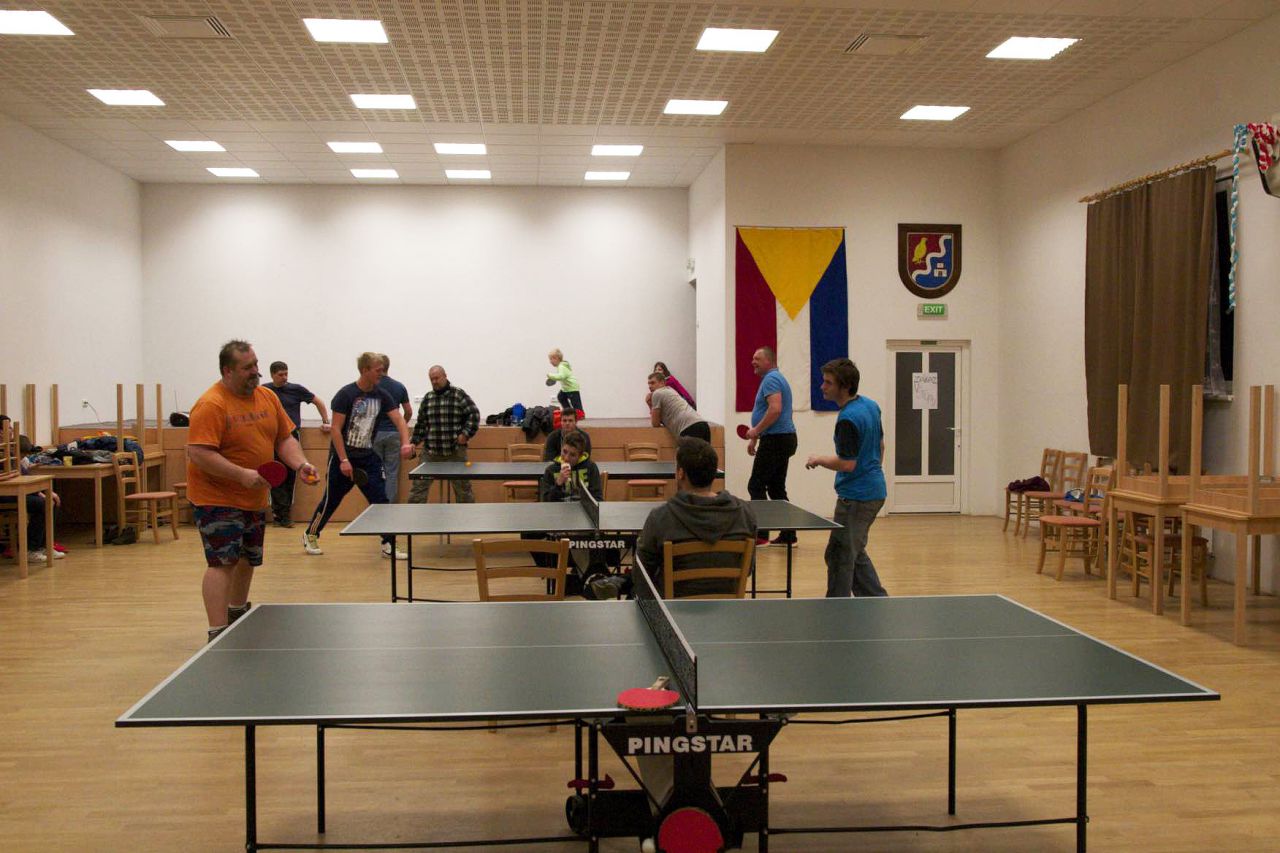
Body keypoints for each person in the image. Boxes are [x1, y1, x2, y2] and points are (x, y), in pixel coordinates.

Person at [187, 340, 318, 643]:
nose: (256, 372)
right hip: (216, 497)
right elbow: (199, 453)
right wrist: (241, 474)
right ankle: (217, 631)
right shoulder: (212, 404)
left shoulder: (267, 397)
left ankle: (237, 612)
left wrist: (300, 464)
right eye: (248, 367)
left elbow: (284, 438)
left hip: (254, 496)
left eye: (256, 364)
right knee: (222, 562)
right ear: (227, 371)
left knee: (247, 558)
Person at [608, 437, 756, 600]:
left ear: (680, 473)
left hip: (673, 610)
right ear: (714, 473)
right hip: (727, 607)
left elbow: (641, 575)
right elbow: (748, 568)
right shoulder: (745, 514)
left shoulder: (660, 518)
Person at [303, 352, 412, 558]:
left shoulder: (382, 395)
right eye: (377, 370)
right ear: (364, 370)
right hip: (343, 458)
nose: (381, 374)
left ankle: (389, 543)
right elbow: (336, 429)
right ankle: (311, 534)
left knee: (381, 501)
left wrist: (406, 443)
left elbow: (399, 419)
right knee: (331, 500)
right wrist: (344, 460)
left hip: (368, 458)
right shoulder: (346, 394)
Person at [805, 358, 888, 598]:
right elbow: (881, 446)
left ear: (845, 387)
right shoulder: (870, 406)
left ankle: (837, 607)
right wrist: (872, 473)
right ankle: (876, 602)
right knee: (852, 553)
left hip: (856, 499)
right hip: (873, 491)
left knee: (841, 557)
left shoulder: (847, 420)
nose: (822, 387)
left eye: (828, 383)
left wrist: (818, 459)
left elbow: (847, 464)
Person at [265, 360, 331, 527]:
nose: (284, 377)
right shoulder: (264, 391)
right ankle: (278, 514)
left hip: (291, 435)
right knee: (275, 473)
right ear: (272, 375)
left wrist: (325, 421)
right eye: (280, 375)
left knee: (290, 475)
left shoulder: (295, 389)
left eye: (286, 374)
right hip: (271, 437)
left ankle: (285, 513)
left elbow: (318, 401)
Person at [744, 346, 797, 547]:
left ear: (769, 361)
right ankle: (789, 535)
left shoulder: (771, 379)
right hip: (781, 438)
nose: (753, 362)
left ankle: (762, 535)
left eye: (757, 358)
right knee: (776, 488)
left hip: (776, 440)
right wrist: (755, 438)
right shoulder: (775, 378)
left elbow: (775, 410)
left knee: (755, 485)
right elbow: (772, 412)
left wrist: (756, 431)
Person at [407, 365, 480, 504]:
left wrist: (466, 434)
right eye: (431, 379)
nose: (434, 381)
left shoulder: (458, 395)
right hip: (431, 452)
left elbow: (474, 415)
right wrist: (413, 443)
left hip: (455, 451)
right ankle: (414, 516)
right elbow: (421, 425)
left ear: (445, 376)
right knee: (417, 490)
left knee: (464, 491)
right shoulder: (428, 398)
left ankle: (467, 517)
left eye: (437, 378)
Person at [371, 353, 413, 504]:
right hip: (394, 434)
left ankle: (376, 505)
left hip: (374, 434)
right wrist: (400, 425)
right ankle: (389, 508)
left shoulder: (371, 386)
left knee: (375, 472)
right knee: (391, 473)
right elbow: (408, 411)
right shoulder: (399, 386)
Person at [647, 372, 710, 443]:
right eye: (648, 384)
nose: (650, 386)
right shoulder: (670, 390)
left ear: (662, 383)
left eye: (652, 383)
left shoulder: (657, 393)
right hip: (702, 424)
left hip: (688, 428)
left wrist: (649, 404)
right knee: (705, 451)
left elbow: (655, 423)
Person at [546, 348, 584, 412]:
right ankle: (568, 412)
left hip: (572, 388)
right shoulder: (560, 366)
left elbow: (561, 376)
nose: (550, 362)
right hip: (566, 388)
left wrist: (550, 375)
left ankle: (580, 414)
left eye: (551, 359)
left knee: (576, 405)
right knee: (561, 397)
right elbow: (561, 376)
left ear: (556, 358)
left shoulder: (562, 366)